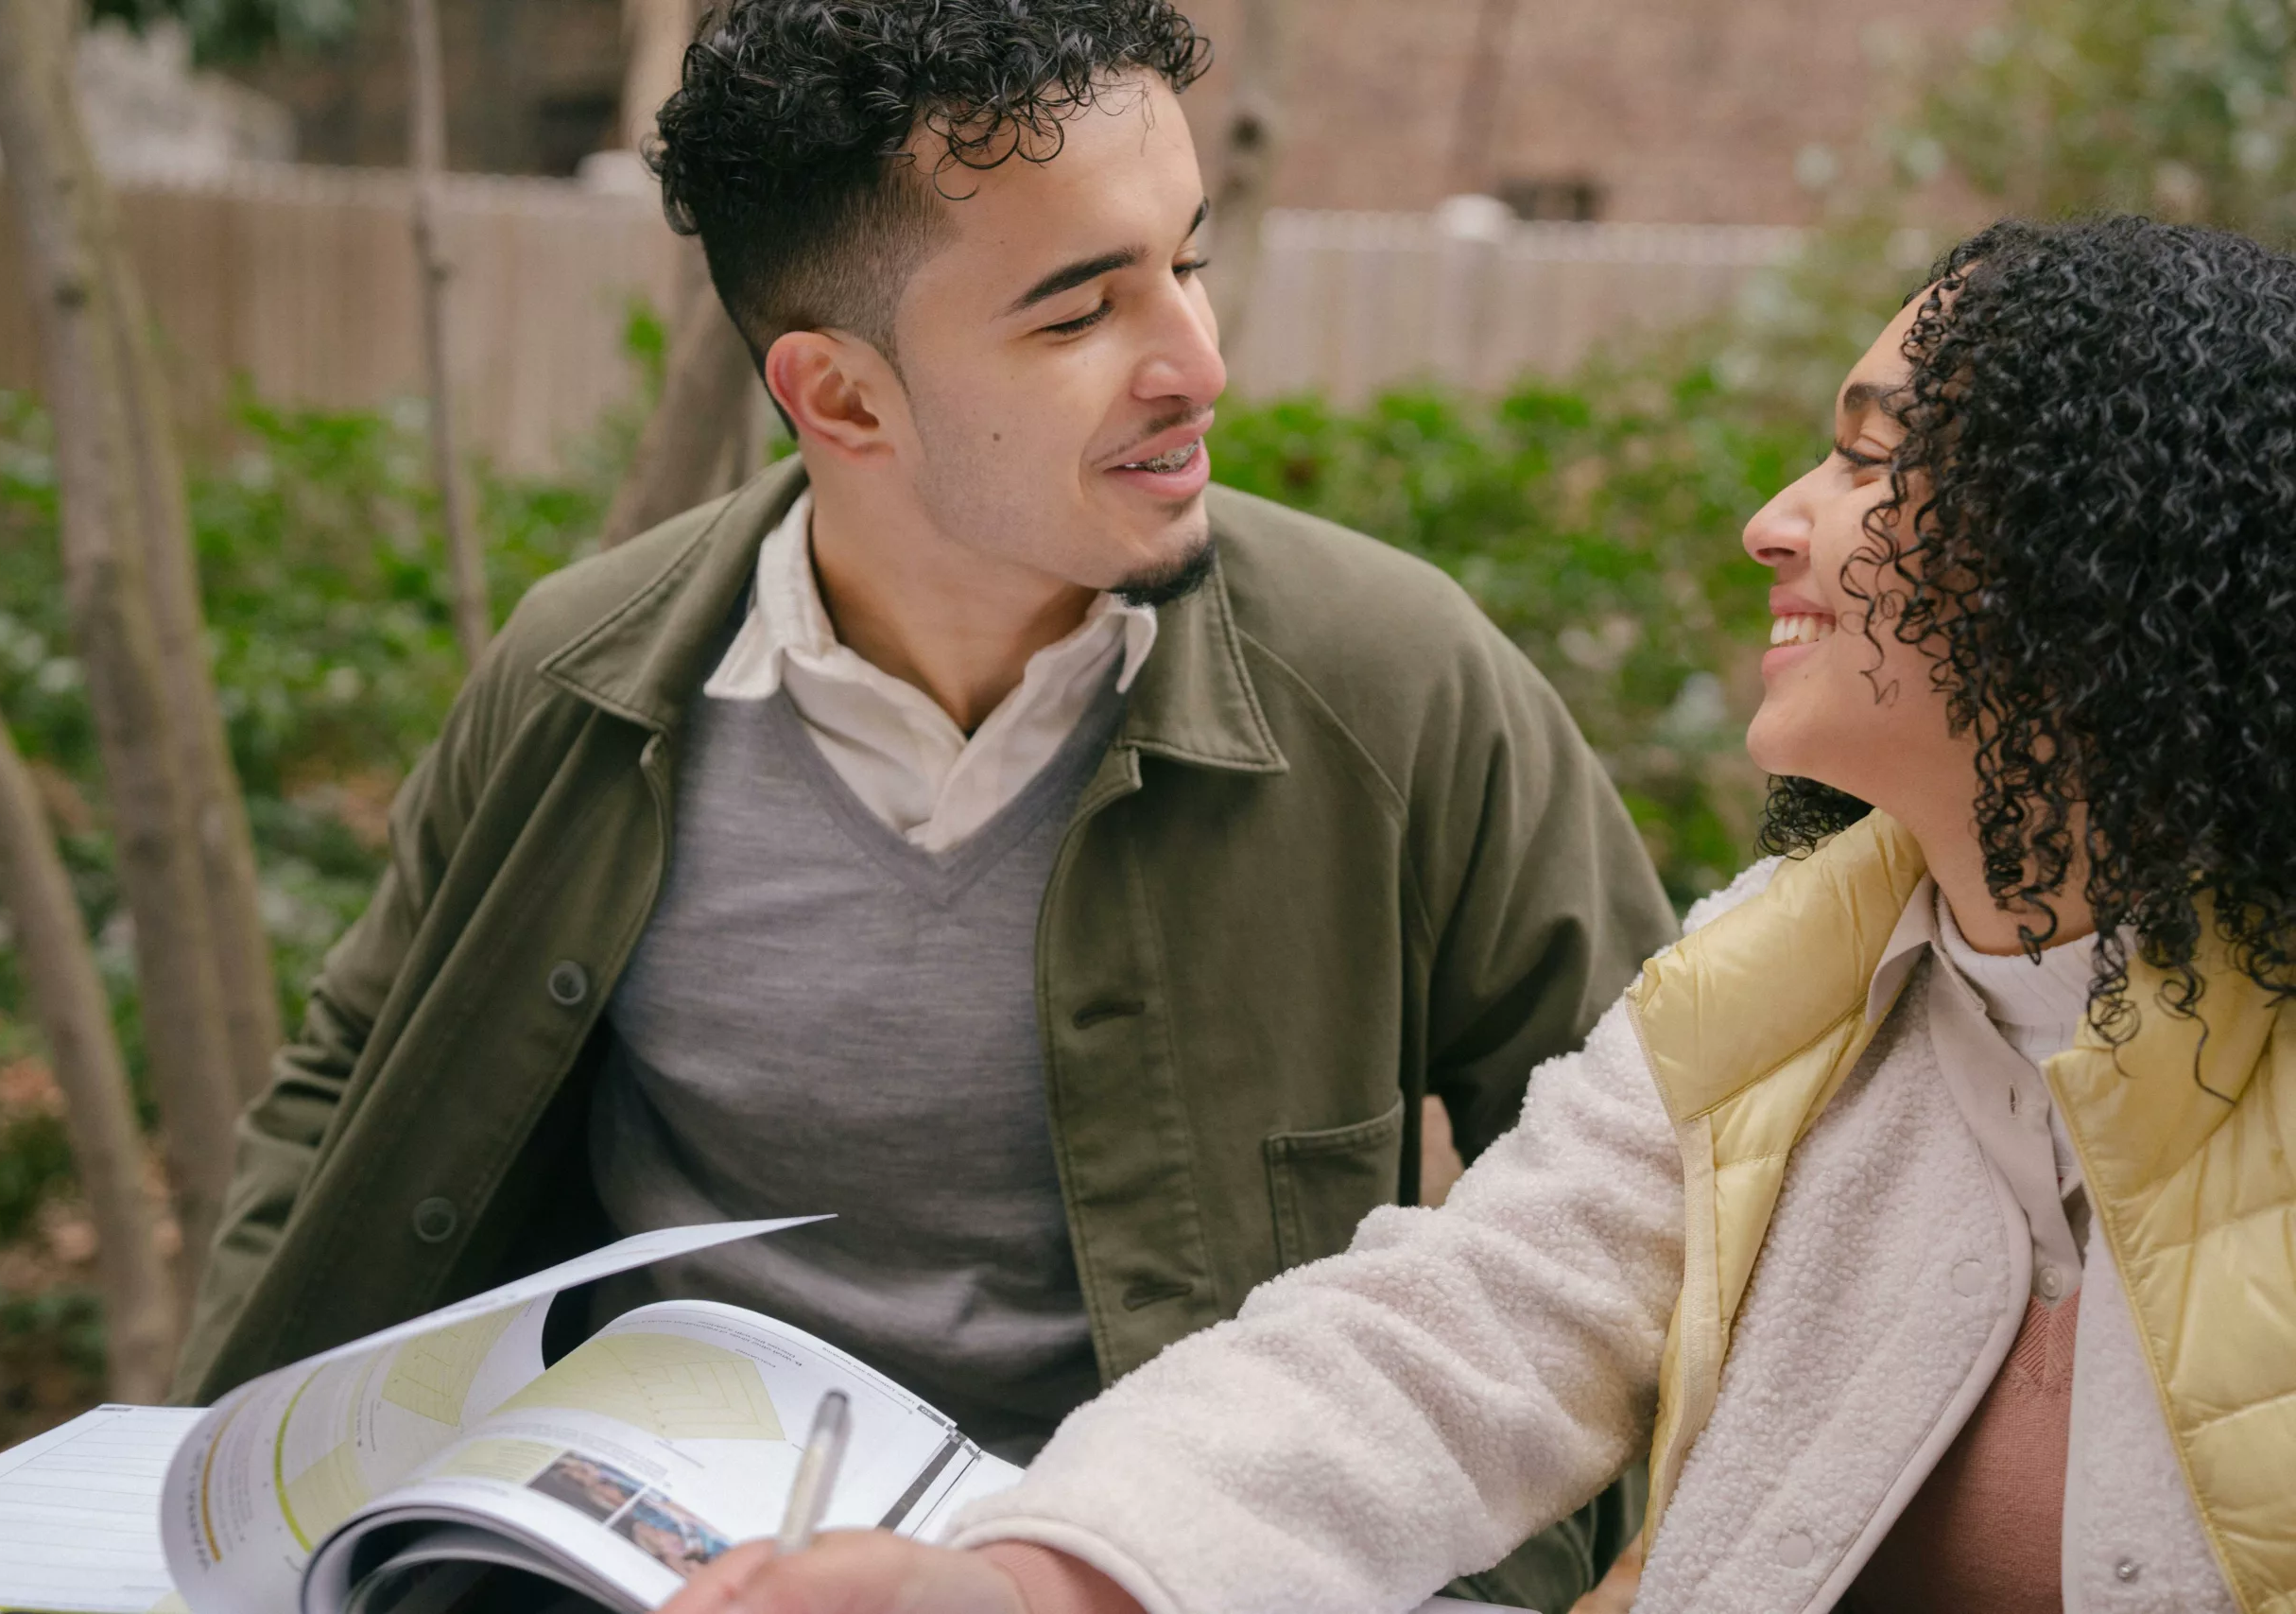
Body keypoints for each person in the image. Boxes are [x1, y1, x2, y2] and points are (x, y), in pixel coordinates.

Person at [170, 2, 1675, 1605]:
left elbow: (1668, 1188)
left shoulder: (1394, 682)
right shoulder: (586, 689)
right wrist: (193, 1467)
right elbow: (348, 1081)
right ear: (842, 399)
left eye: (1189, 263)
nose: (1197, 362)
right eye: (1082, 313)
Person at [659, 215, 2296, 1614]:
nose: (1774, 519)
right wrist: (1023, 1581)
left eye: (1866, 460)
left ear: (2100, 552)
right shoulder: (1787, 987)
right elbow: (1444, 1340)